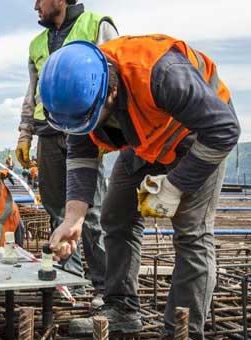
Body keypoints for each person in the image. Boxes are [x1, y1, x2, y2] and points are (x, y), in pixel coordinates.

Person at [40, 35, 240, 338]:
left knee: (192, 235)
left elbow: (224, 130)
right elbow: (81, 154)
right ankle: (121, 309)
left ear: (112, 92)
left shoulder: (163, 74)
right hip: (147, 139)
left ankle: (182, 333)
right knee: (115, 215)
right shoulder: (78, 98)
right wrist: (73, 219)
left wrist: (175, 186)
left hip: (200, 137)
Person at [15, 0, 118, 306]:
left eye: (39, 0)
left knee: (92, 210)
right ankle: (72, 281)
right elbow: (32, 90)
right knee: (56, 208)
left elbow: (114, 77)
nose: (35, 5)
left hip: (86, 129)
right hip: (48, 131)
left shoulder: (96, 25)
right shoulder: (36, 44)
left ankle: (103, 286)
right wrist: (24, 134)